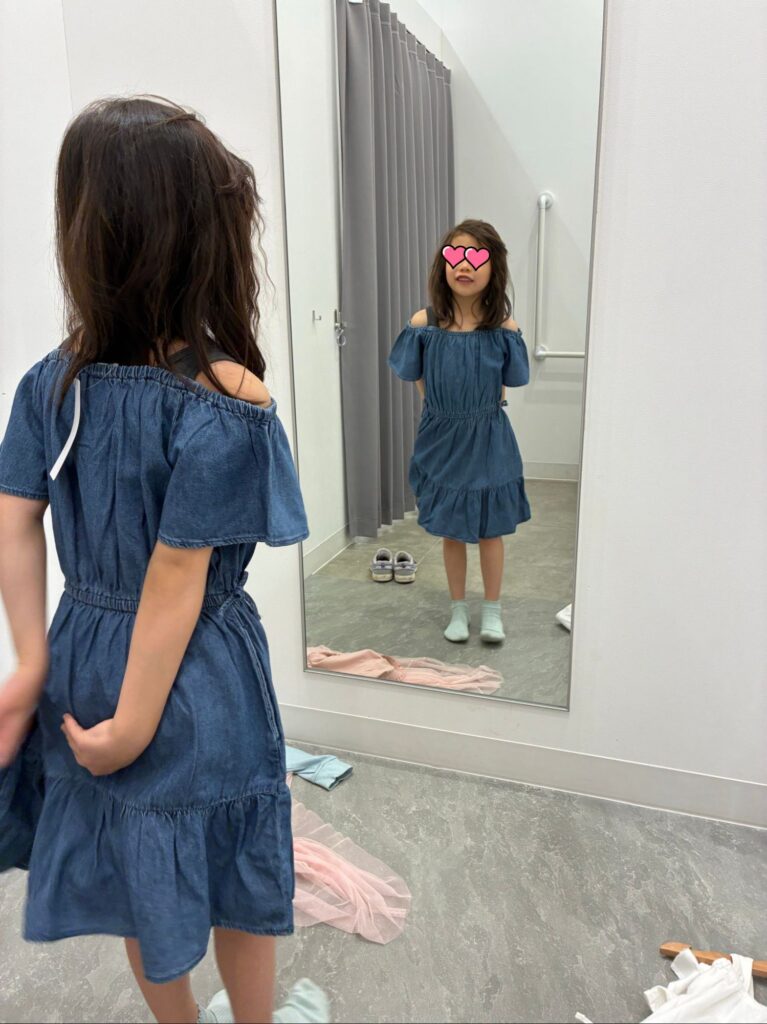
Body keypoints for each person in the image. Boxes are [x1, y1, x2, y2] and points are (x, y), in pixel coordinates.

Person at [0, 95, 328, 1024]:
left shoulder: (49, 382)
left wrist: (31, 664)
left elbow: (12, 522)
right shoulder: (225, 399)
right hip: (192, 676)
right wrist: (139, 724)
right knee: (232, 858)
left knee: (145, 867)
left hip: (87, 653)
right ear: (201, 238)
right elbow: (178, 579)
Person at [388, 219, 532, 644]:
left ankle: (492, 610)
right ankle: (457, 609)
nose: (464, 265)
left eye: (476, 256)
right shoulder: (424, 324)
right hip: (442, 436)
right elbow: (416, 376)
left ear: (493, 267)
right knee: (452, 529)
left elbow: (510, 380)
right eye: (455, 255)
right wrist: (438, 412)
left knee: (490, 529)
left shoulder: (503, 329)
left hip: (488, 437)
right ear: (443, 265)